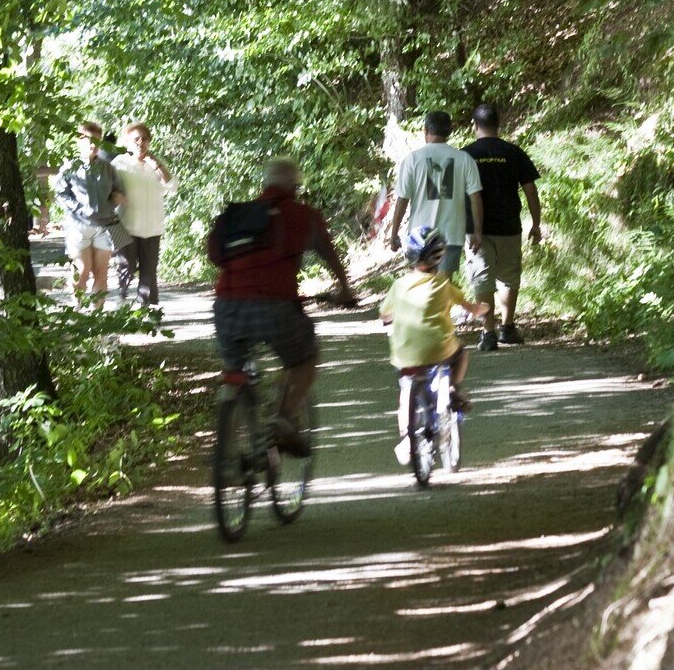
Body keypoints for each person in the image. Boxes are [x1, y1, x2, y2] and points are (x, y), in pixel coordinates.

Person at [207, 158, 357, 456]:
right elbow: (329, 254)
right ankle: (284, 417)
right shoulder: (303, 215)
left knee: (235, 369)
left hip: (226, 308)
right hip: (275, 306)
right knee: (304, 357)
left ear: (265, 184)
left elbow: (215, 255)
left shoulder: (236, 216)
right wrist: (344, 290)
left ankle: (226, 446)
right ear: (295, 186)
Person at [380, 227, 486, 461]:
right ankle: (453, 388)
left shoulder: (398, 285)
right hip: (440, 349)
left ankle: (407, 439)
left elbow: (385, 315)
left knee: (406, 388)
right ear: (439, 257)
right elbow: (471, 308)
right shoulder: (443, 285)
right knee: (461, 354)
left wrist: (391, 321)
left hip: (404, 353)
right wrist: (481, 309)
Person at [463, 102, 542, 350]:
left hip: (478, 228)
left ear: (474, 125)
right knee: (508, 277)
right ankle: (507, 328)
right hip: (509, 225)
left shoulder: (465, 154)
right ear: (499, 125)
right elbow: (531, 191)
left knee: (481, 278)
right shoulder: (514, 152)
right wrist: (536, 223)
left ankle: (488, 333)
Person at [385, 109, 483, 279]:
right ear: (449, 132)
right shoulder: (464, 159)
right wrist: (478, 231)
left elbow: (402, 200)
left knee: (421, 289)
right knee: (442, 290)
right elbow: (475, 197)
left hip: (419, 236)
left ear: (426, 130)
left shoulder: (413, 160)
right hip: (451, 235)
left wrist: (394, 234)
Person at [57, 121, 126, 306]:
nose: (93, 145)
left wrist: (118, 198)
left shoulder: (109, 168)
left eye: (97, 141)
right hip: (79, 226)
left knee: (101, 272)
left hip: (106, 225)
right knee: (82, 269)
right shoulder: (69, 168)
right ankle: (77, 309)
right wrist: (81, 209)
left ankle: (98, 317)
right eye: (88, 140)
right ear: (79, 140)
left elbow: (119, 191)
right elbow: (61, 194)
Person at [112, 121, 173, 309]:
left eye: (145, 139)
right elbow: (108, 190)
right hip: (125, 226)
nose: (141, 143)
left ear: (150, 142)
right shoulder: (119, 163)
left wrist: (157, 165)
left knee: (149, 271)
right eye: (136, 139)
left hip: (152, 226)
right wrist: (115, 196)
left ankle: (148, 310)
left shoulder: (156, 163)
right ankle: (121, 302)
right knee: (126, 267)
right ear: (128, 143)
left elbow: (173, 186)